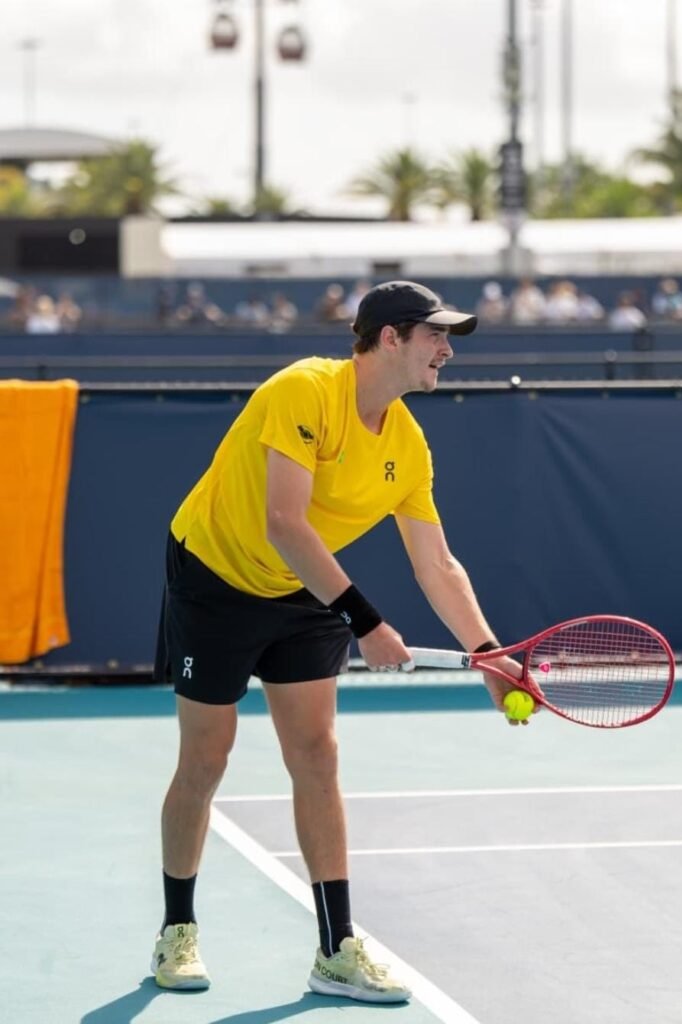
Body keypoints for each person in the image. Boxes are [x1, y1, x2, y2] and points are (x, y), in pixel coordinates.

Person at [151, 280, 527, 1001]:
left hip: (307, 589)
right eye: (435, 337)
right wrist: (369, 624)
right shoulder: (305, 390)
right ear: (389, 338)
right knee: (205, 757)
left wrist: (488, 655)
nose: (447, 352)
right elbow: (284, 523)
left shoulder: (408, 445)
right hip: (216, 577)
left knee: (317, 756)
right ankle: (176, 931)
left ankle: (335, 951)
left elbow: (436, 563)